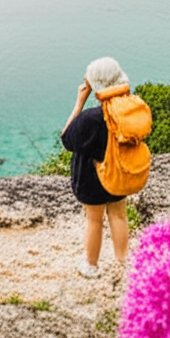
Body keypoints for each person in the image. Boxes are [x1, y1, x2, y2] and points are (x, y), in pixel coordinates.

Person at [61, 57, 131, 278]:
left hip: (91, 177)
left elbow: (66, 139)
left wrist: (80, 102)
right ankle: (123, 262)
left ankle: (91, 265)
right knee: (119, 215)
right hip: (119, 172)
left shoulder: (90, 118)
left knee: (94, 220)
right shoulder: (128, 111)